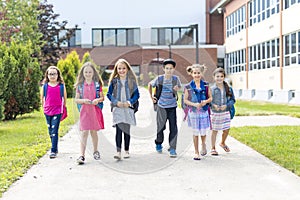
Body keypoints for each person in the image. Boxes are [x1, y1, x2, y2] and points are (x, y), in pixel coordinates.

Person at [148, 58, 182, 158]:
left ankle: (172, 148)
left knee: (173, 128)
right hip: (161, 106)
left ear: (174, 69)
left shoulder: (176, 79)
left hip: (172, 107)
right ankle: (158, 143)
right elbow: (150, 84)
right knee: (161, 127)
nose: (169, 70)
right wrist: (152, 98)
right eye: (167, 68)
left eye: (171, 68)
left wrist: (177, 89)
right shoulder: (159, 79)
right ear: (164, 69)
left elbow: (179, 87)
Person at [107, 58, 140, 160]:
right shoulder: (114, 81)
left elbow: (137, 94)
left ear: (127, 69)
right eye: (119, 68)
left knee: (126, 130)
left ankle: (126, 150)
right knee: (118, 130)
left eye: (123, 68)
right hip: (118, 109)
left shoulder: (131, 81)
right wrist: (116, 102)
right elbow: (108, 94)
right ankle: (118, 152)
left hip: (128, 109)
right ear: (116, 70)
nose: (121, 70)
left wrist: (129, 102)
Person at [74, 62, 105, 164]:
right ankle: (82, 155)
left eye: (90, 72)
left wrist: (97, 100)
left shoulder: (97, 85)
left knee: (93, 132)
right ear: (82, 73)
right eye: (86, 72)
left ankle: (96, 151)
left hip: (94, 111)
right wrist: (83, 101)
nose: (88, 74)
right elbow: (76, 100)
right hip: (84, 112)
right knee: (84, 132)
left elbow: (102, 97)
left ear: (93, 73)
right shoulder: (80, 86)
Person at [183, 64, 212, 160]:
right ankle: (196, 152)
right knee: (195, 133)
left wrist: (205, 102)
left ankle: (203, 144)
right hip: (193, 112)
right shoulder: (188, 87)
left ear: (201, 73)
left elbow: (210, 98)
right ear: (191, 74)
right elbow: (185, 100)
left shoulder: (206, 85)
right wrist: (194, 104)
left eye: (198, 73)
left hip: (203, 112)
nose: (197, 75)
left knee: (203, 132)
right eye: (195, 73)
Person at [41, 66, 67, 159]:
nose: (52, 76)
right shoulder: (45, 86)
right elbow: (42, 99)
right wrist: (44, 108)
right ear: (47, 75)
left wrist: (63, 108)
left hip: (57, 110)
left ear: (58, 75)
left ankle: (53, 150)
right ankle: (54, 147)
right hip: (47, 110)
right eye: (50, 74)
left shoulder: (61, 86)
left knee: (54, 130)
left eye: (54, 74)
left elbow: (64, 98)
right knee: (50, 130)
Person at [210, 67, 236, 156]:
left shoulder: (228, 88)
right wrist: (214, 105)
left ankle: (222, 142)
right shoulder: (212, 89)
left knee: (226, 129)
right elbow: (208, 101)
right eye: (217, 76)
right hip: (215, 113)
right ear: (214, 77)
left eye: (221, 76)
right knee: (215, 131)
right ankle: (213, 148)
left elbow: (233, 100)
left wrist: (227, 105)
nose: (219, 78)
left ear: (224, 77)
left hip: (225, 112)